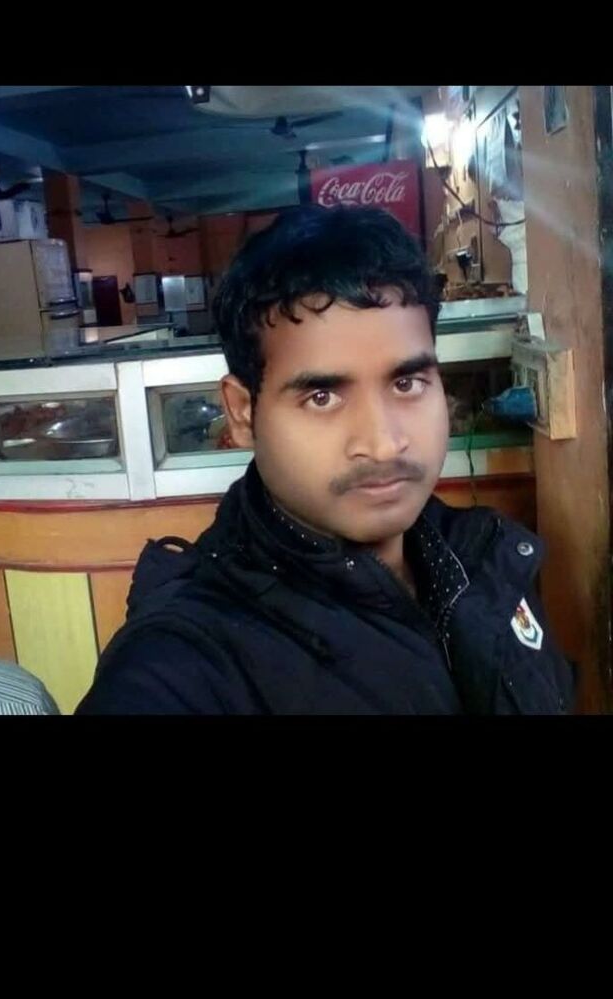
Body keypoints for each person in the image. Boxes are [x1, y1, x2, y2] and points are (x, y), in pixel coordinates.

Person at [76, 204, 576, 715]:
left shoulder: (483, 558)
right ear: (243, 412)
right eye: (322, 397)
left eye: (407, 383)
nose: (384, 444)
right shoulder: (185, 664)